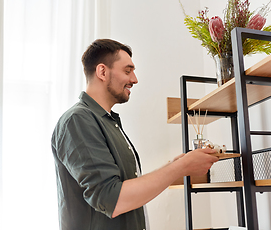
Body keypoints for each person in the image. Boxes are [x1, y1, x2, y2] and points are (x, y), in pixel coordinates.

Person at [51, 39, 219, 230]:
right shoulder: (77, 120)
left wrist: (175, 166)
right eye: (127, 71)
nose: (135, 79)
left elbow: (126, 188)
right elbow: (112, 199)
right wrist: (180, 167)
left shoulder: (107, 121)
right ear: (102, 72)